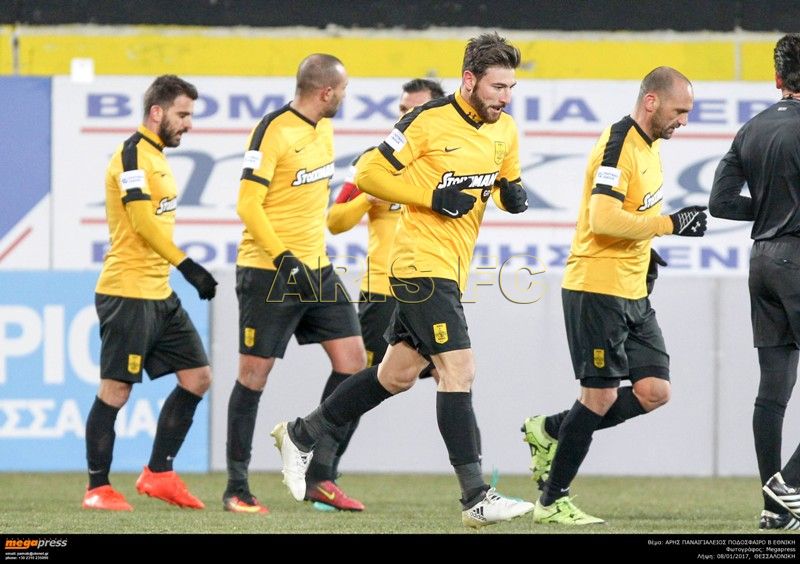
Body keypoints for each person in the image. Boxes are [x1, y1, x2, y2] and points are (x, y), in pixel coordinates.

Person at [271, 32, 534, 529]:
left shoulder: (506, 129)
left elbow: (505, 181)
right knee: (459, 370)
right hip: (418, 268)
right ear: (469, 80)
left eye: (510, 88)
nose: (505, 97)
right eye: (497, 87)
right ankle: (476, 497)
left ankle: (303, 433)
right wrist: (431, 197)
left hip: (452, 269)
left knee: (395, 376)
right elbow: (367, 172)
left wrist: (511, 196)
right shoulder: (427, 120)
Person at [521, 67, 707, 525]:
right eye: (679, 110)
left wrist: (647, 253)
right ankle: (552, 502)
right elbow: (602, 219)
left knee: (654, 391)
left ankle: (549, 430)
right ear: (651, 102)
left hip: (633, 292)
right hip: (597, 288)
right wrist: (670, 224)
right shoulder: (620, 143)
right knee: (599, 397)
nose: (683, 120)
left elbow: (631, 217)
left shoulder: (652, 147)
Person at [223, 53, 367, 514]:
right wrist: (283, 258)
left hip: (317, 269)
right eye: (342, 90)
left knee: (354, 364)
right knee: (253, 376)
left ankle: (319, 473)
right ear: (326, 92)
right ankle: (236, 488)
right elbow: (247, 204)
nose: (344, 97)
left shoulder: (324, 129)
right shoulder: (273, 130)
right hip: (270, 271)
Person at [82, 74, 218, 512]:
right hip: (126, 292)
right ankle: (97, 489)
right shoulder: (130, 156)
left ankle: (159, 473)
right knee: (116, 389)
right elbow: (141, 222)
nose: (189, 124)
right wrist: (188, 266)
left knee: (198, 377)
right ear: (157, 112)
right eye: (183, 114)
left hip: (159, 293)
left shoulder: (158, 157)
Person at [325, 78, 447, 478]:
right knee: (362, 384)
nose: (406, 116)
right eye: (402, 109)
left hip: (432, 289)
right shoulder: (373, 162)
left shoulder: (449, 166)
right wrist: (366, 197)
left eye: (415, 109)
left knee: (455, 375)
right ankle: (321, 471)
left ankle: (475, 480)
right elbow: (335, 221)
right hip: (383, 294)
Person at [709, 34, 800, 530]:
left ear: (777, 79)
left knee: (773, 388)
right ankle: (790, 486)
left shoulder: (751, 128)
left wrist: (766, 210)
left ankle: (774, 509)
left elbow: (720, 203)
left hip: (762, 262)